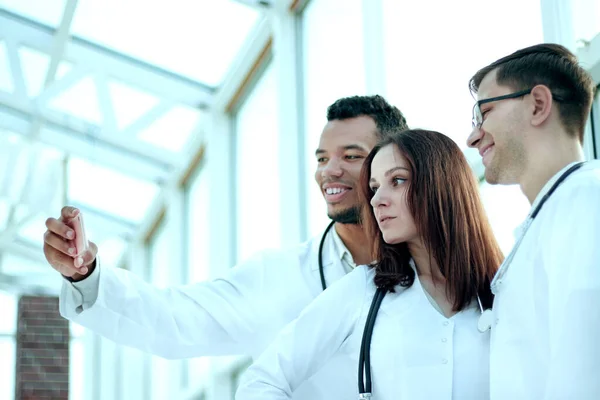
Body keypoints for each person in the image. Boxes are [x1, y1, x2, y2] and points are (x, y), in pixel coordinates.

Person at [42, 95, 409, 399]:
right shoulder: (277, 278)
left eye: (351, 156)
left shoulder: (440, 267)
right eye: (322, 158)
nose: (328, 171)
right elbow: (172, 319)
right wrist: (87, 275)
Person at [236, 129, 503, 400]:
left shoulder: (500, 291)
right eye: (374, 188)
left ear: (441, 183)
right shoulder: (361, 289)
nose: (377, 200)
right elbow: (260, 383)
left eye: (397, 181)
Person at [466, 43, 600, 399]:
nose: (473, 136)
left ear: (538, 105)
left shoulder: (586, 200)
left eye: (485, 113)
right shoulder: (554, 213)